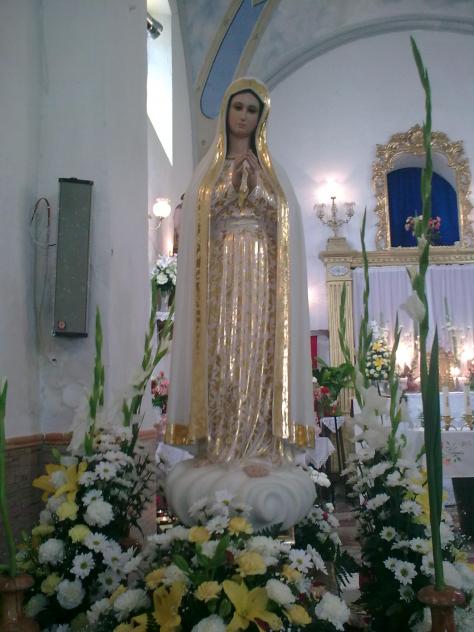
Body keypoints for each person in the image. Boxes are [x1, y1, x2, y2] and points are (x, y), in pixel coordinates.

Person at [165, 77, 315, 467]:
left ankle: (261, 444)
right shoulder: (209, 171)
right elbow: (197, 220)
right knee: (221, 350)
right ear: (226, 112)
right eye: (238, 107)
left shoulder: (272, 171)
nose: (244, 116)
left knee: (259, 349)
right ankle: (218, 443)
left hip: (261, 274)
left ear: (261, 117)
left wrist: (257, 188)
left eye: (252, 110)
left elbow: (284, 220)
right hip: (220, 274)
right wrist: (230, 186)